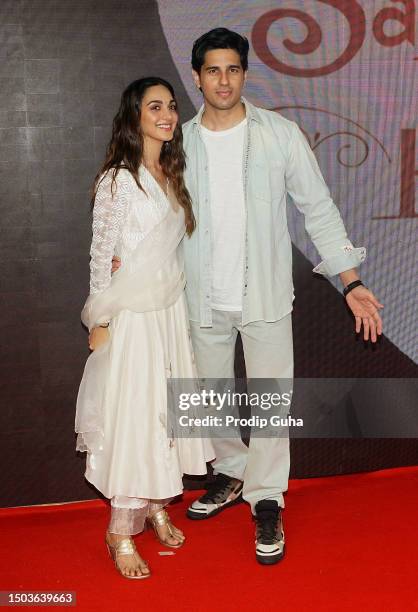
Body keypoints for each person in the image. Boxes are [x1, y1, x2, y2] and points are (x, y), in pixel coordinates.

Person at [113, 29, 383, 566]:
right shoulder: (178, 141)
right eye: (212, 70)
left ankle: (266, 497)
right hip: (197, 298)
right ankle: (231, 473)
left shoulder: (280, 135)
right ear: (196, 77)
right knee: (205, 401)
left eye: (233, 69)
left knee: (269, 403)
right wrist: (124, 264)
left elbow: (319, 210)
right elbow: (149, 210)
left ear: (244, 74)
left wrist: (350, 281)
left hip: (263, 295)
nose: (223, 80)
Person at [75, 77, 212, 579]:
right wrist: (101, 319)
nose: (168, 115)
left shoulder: (172, 172)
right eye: (155, 107)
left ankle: (156, 503)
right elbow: (100, 253)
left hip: (169, 313)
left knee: (166, 415)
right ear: (135, 116)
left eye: (172, 107)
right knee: (135, 417)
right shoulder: (118, 178)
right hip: (131, 315)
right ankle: (119, 530)